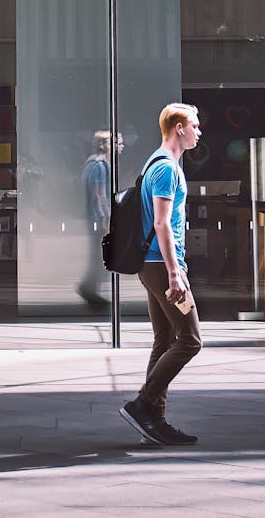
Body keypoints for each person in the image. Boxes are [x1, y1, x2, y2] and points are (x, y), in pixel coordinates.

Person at [119, 103, 202, 448]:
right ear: (179, 128)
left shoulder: (153, 163)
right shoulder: (167, 169)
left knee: (164, 340)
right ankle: (142, 405)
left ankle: (153, 420)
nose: (199, 132)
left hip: (150, 265)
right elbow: (162, 222)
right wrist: (174, 273)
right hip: (161, 265)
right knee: (191, 339)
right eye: (195, 126)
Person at [76, 130, 120, 309]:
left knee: (97, 256)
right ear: (105, 145)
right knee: (99, 256)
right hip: (98, 218)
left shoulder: (92, 164)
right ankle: (89, 288)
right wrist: (106, 219)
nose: (120, 146)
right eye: (116, 143)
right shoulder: (100, 166)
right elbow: (99, 195)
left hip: (94, 217)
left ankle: (90, 288)